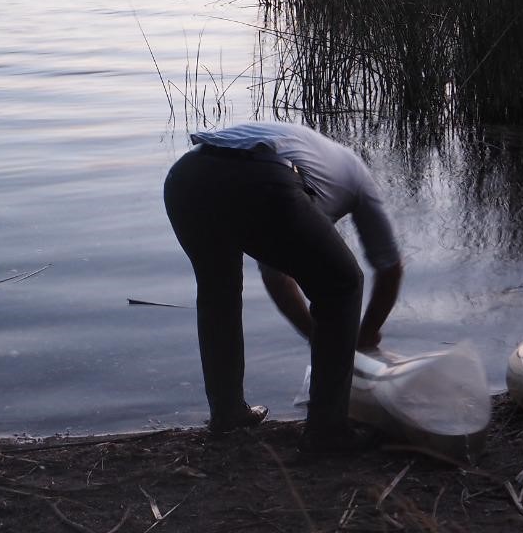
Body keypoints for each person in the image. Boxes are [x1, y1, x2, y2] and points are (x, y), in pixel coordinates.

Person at [163, 120, 403, 454]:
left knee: (219, 292)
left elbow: (277, 276)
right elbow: (390, 268)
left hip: (186, 177)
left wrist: (323, 338)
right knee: (344, 284)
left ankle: (227, 414)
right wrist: (361, 336)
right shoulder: (359, 180)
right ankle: (327, 434)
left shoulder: (317, 162)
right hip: (260, 176)